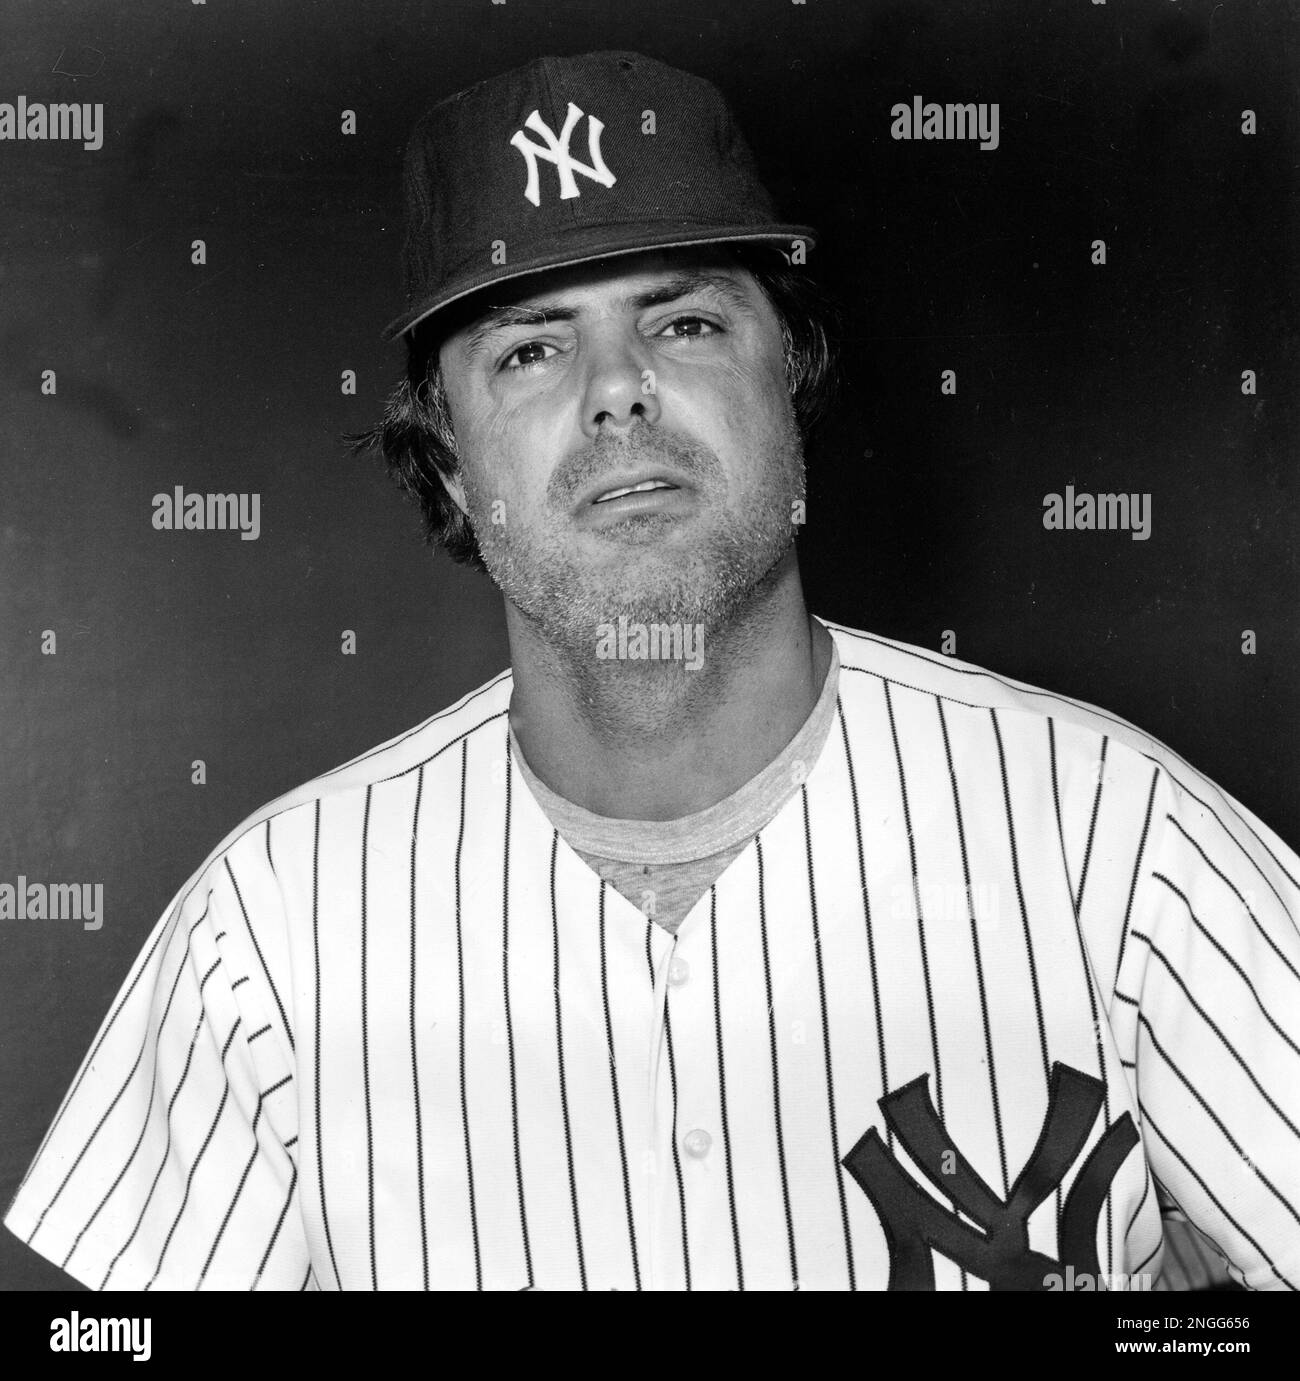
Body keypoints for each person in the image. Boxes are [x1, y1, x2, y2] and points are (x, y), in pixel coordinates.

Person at [6, 50, 1297, 1292]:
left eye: (681, 320)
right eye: (530, 346)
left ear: (788, 392)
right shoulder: (270, 935)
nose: (619, 390)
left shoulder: (1118, 848)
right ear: (450, 461)